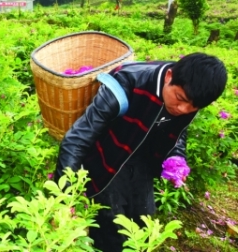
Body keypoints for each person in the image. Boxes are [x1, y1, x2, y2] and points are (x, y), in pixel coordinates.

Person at [54, 53, 227, 252]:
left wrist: (176, 156)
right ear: (169, 76)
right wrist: (64, 197)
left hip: (141, 163)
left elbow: (179, 130)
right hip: (107, 162)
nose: (183, 109)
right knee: (111, 234)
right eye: (180, 99)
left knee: (142, 225)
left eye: (194, 107)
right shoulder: (127, 84)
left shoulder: (190, 94)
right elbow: (77, 138)